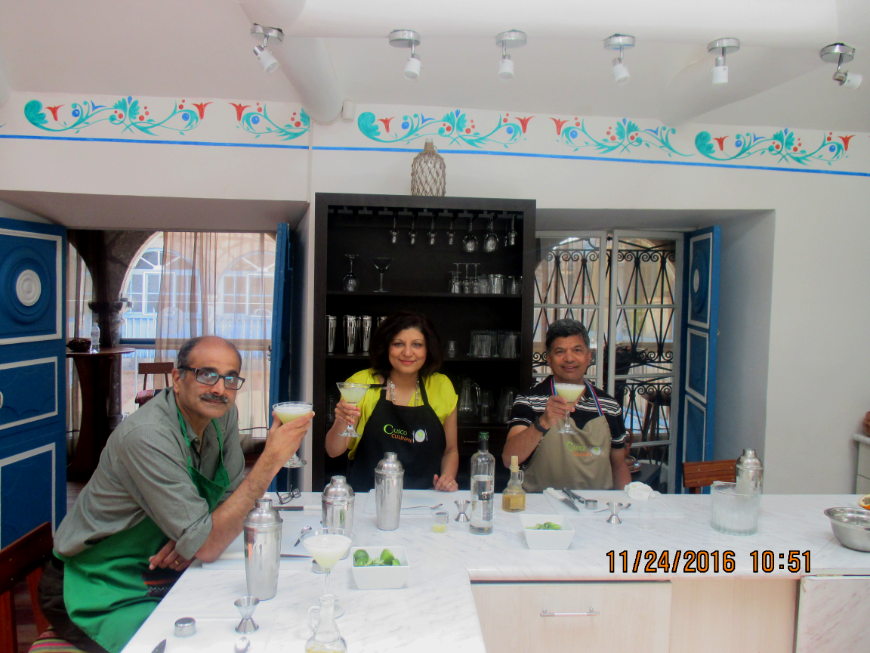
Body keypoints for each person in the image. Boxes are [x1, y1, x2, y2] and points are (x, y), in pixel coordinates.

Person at [39, 336, 312, 653]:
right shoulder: (147, 435)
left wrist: (193, 536)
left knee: (256, 619)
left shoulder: (220, 415)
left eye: (230, 378)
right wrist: (269, 463)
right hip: (97, 581)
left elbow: (230, 491)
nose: (220, 389)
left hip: (159, 569)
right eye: (206, 374)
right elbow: (210, 544)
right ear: (177, 378)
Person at [325, 311, 459, 493]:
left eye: (417, 345)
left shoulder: (441, 386)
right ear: (386, 347)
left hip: (426, 501)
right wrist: (341, 422)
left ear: (428, 349)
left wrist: (447, 478)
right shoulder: (361, 384)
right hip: (368, 500)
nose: (408, 352)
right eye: (398, 344)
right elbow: (334, 450)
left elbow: (450, 450)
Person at [502, 319, 631, 493]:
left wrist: (626, 504)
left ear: (588, 357)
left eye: (577, 350)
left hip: (596, 511)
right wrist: (543, 422)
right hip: (542, 509)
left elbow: (618, 466)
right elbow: (509, 460)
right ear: (548, 358)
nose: (569, 358)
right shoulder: (529, 401)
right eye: (560, 351)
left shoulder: (609, 406)